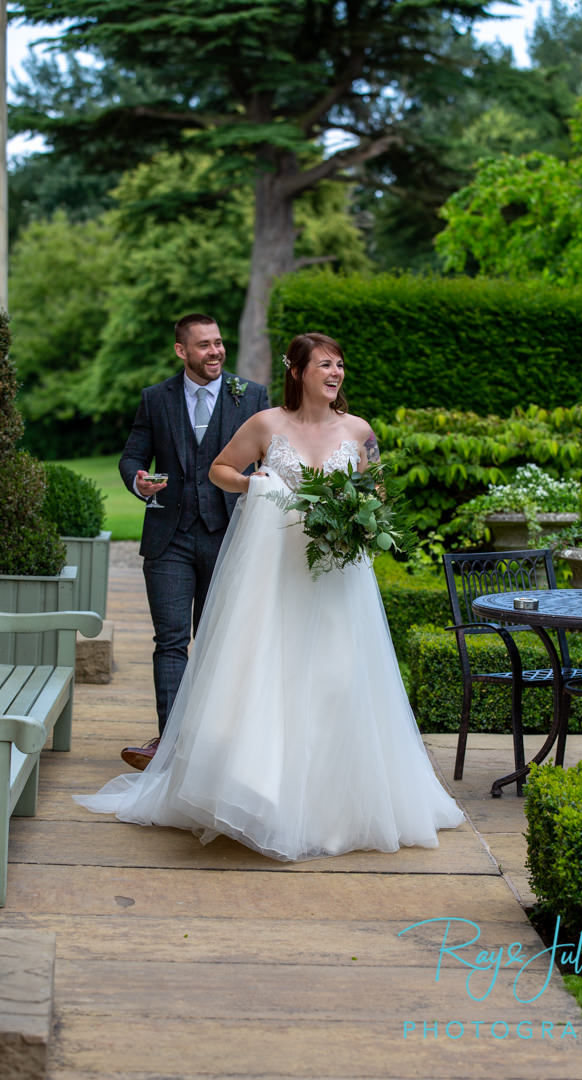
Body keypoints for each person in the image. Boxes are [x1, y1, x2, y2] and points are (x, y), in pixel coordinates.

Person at [75, 332, 464, 860]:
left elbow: (376, 495)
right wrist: (255, 484)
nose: (336, 374)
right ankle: (260, 796)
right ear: (299, 371)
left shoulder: (360, 432)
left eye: (341, 365)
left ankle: (335, 808)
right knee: (268, 676)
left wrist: (363, 522)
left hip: (335, 578)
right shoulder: (266, 424)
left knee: (338, 677)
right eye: (326, 365)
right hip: (275, 576)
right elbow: (220, 469)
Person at [117, 313, 269, 770]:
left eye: (219, 343)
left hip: (229, 537)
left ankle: (216, 743)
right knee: (171, 641)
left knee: (219, 641)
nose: (215, 351)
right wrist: (138, 481)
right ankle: (171, 743)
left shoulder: (251, 395)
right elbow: (132, 457)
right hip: (169, 538)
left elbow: (273, 455)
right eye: (204, 345)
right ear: (182, 350)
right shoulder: (155, 398)